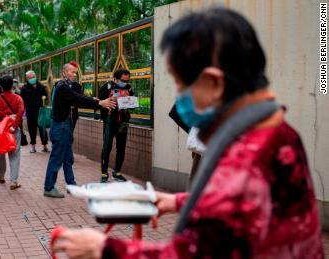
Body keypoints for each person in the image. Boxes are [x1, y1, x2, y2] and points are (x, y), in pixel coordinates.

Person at [52, 8, 323, 258]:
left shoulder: (245, 161)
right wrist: (179, 200)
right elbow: (239, 206)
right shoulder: (277, 130)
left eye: (181, 85)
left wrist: (103, 248)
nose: (179, 98)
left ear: (214, 83)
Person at [43, 62, 116, 198]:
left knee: (67, 158)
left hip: (66, 126)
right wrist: (99, 103)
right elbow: (77, 98)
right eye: (72, 72)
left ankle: (71, 184)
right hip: (61, 127)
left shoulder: (66, 86)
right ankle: (48, 187)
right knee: (57, 157)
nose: (74, 75)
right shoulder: (62, 87)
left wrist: (94, 100)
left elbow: (78, 97)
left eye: (76, 72)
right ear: (64, 73)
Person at [99, 69, 134, 183]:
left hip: (123, 122)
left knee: (121, 147)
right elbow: (100, 103)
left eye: (127, 80)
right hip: (110, 121)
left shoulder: (129, 88)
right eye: (123, 80)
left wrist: (130, 102)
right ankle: (104, 173)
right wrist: (110, 101)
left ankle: (117, 172)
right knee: (107, 147)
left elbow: (133, 103)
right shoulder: (106, 87)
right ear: (116, 78)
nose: (125, 82)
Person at [0, 75, 24, 190]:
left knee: (1, 153)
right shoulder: (18, 98)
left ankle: (1, 176)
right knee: (14, 155)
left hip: (1, 130)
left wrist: (5, 116)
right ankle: (14, 181)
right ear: (12, 85)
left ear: (0, 86)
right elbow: (20, 114)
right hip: (13, 130)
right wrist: (13, 124)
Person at [20, 70, 49, 153]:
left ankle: (45, 145)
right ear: (27, 78)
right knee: (32, 129)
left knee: (42, 128)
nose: (32, 78)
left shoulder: (41, 86)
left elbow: (45, 95)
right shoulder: (24, 88)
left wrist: (44, 98)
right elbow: (22, 100)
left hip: (40, 111)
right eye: (30, 77)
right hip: (30, 112)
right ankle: (33, 146)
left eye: (33, 77)